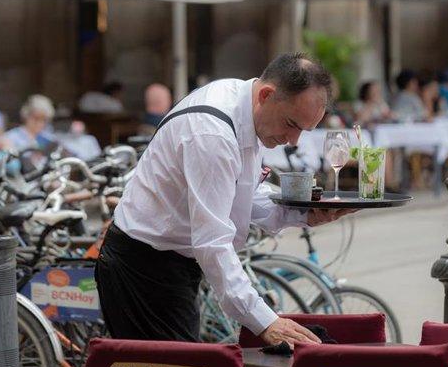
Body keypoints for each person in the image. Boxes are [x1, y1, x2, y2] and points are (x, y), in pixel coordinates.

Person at [97, 53, 352, 346]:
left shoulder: (244, 105)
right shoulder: (212, 134)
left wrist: (304, 213)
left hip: (168, 265)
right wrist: (264, 321)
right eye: (291, 124)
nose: (293, 140)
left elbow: (243, 195)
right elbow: (212, 241)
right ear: (267, 95)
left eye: (303, 131)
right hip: (142, 270)